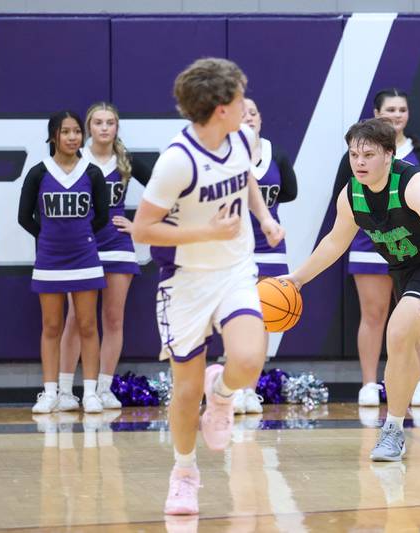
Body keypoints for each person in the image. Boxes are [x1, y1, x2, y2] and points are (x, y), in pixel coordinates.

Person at [285, 118, 420, 462]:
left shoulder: (414, 184)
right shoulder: (352, 194)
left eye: (368, 155)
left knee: (399, 332)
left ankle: (392, 431)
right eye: (354, 154)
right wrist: (297, 278)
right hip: (406, 268)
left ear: (389, 154)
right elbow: (335, 242)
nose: (359, 162)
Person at [131, 57, 284, 515]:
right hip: (186, 281)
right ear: (221, 106)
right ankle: (184, 474)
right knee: (184, 389)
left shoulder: (243, 137)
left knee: (248, 359)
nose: (247, 104)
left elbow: (247, 180)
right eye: (240, 97)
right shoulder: (176, 162)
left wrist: (263, 217)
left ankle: (221, 397)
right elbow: (142, 229)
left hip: (235, 268)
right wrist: (205, 233)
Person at [334, 89, 420, 408]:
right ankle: (369, 383)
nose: (396, 115)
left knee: (415, 318)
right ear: (376, 113)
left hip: (412, 247)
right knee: (374, 314)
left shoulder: (418, 153)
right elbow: (347, 197)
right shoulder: (358, 155)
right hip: (371, 242)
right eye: (390, 109)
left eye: (402, 109)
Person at [57, 102, 153, 413]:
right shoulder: (75, 159)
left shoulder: (126, 161)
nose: (104, 128)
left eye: (109, 122)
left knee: (113, 319)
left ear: (116, 128)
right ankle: (64, 391)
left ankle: (104, 388)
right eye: (97, 122)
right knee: (75, 319)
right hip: (83, 247)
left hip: (118, 246)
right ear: (88, 128)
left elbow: (165, 194)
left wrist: (139, 225)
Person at [17, 111, 109, 414]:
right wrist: (48, 239)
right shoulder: (38, 172)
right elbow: (24, 217)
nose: (72, 137)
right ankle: (49, 393)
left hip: (85, 258)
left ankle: (92, 393)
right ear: (53, 136)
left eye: (76, 132)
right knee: (51, 325)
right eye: (65, 132)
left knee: (87, 324)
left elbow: (102, 217)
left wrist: (81, 236)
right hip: (49, 259)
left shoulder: (92, 172)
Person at [231, 97, 298, 415]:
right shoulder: (225, 156)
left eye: (254, 112)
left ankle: (250, 389)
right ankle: (233, 386)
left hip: (270, 249)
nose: (249, 117)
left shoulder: (277, 154)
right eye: (243, 113)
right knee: (238, 321)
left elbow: (290, 191)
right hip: (235, 250)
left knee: (264, 321)